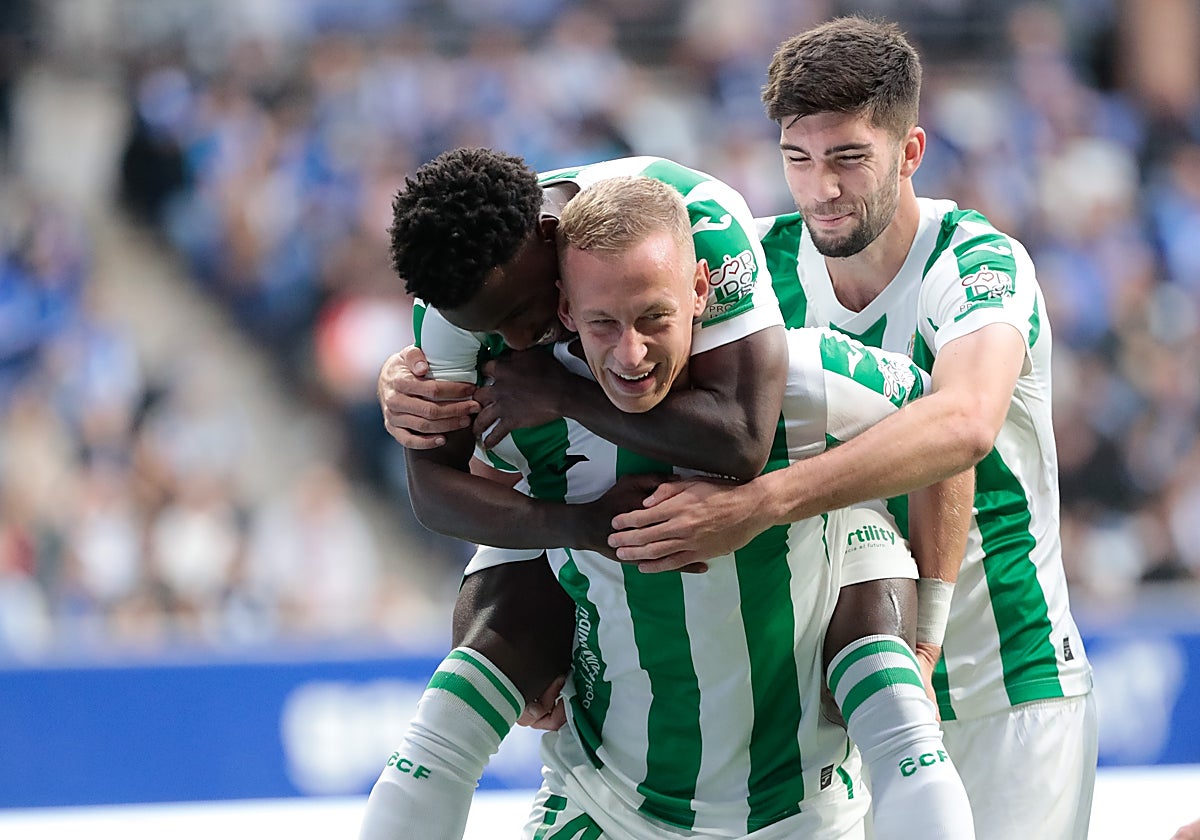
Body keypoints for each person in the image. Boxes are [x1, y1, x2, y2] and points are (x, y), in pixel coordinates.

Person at [599, 16, 1096, 840]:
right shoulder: (749, 272)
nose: (820, 188)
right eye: (798, 159)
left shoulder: (979, 263)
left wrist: (760, 506)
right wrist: (421, 371)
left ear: (909, 152)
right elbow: (606, 320)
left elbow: (962, 425)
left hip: (1002, 683)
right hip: (842, 701)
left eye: (847, 159)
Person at [370, 174, 974, 838]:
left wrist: (926, 635)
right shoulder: (517, 393)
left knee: (866, 532)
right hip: (608, 802)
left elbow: (938, 433)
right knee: (507, 577)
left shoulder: (796, 378)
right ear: (569, 311)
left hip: (800, 810)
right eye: (603, 322)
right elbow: (445, 492)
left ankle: (892, 716)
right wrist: (408, 389)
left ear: (700, 294)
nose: (517, 343)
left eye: (653, 316)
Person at [360, 147, 792, 840]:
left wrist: (560, 392)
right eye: (489, 331)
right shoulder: (458, 294)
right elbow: (436, 493)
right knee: (454, 700)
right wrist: (582, 525)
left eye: (526, 311)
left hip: (752, 482)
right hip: (569, 500)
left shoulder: (693, 216)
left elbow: (743, 437)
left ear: (546, 234)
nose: (516, 339)